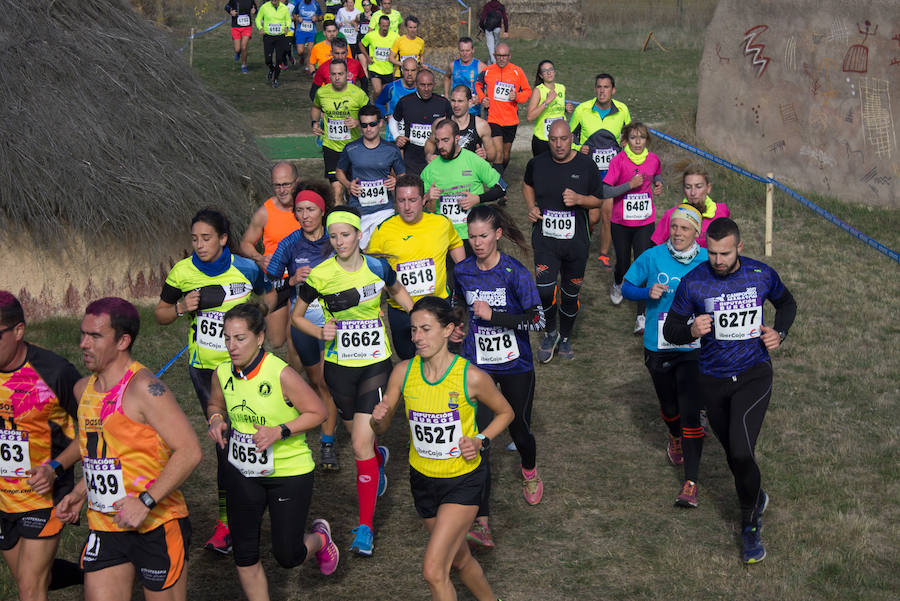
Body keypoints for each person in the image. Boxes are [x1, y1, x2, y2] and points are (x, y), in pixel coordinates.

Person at [663, 218, 797, 564]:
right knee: (735, 455)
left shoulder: (761, 275)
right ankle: (756, 496)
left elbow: (787, 304)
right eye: (712, 253)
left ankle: (749, 525)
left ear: (739, 247)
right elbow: (673, 329)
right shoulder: (694, 282)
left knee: (740, 449)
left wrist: (778, 333)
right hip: (712, 378)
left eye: (724, 253)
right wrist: (692, 329)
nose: (718, 260)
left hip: (753, 373)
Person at [56, 298, 202, 601]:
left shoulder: (144, 389)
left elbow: (190, 451)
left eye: (95, 336)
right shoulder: (84, 390)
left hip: (158, 523)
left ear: (123, 341)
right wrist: (80, 493)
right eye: (83, 334)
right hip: (105, 524)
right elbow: (106, 454)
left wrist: (144, 502)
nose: (84, 343)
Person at [371, 296, 513, 601]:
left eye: (425, 329)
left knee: (434, 571)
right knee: (460, 559)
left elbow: (506, 412)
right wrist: (377, 420)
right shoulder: (403, 373)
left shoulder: (470, 377)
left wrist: (480, 440)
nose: (417, 338)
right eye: (413, 331)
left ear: (448, 330)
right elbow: (380, 430)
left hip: (462, 482)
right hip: (422, 481)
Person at [291, 206, 414, 556]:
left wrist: (420, 316)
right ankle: (378, 457)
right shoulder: (320, 275)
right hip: (338, 369)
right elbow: (297, 317)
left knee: (360, 446)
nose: (340, 241)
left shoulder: (377, 267)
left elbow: (399, 293)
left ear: (359, 235)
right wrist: (319, 330)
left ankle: (365, 528)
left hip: (376, 363)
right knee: (360, 439)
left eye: (346, 234)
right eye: (334, 236)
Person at [155, 209, 274, 555]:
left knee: (251, 436)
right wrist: (180, 308)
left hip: (247, 368)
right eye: (194, 238)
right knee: (224, 444)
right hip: (207, 372)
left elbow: (266, 298)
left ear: (223, 239)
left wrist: (256, 321)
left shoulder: (247, 268)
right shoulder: (183, 272)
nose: (199, 244)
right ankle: (226, 524)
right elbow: (160, 314)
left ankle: (261, 503)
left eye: (206, 238)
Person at [206, 304, 339, 599]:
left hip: (288, 473)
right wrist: (215, 419)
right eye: (226, 338)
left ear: (260, 337)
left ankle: (320, 539)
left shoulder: (281, 374)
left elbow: (317, 412)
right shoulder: (222, 372)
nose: (231, 346)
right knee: (244, 553)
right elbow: (215, 404)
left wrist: (279, 431)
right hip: (242, 472)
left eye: (240, 338)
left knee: (288, 555)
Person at [452, 205, 545, 549]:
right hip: (479, 367)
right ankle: (483, 521)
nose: (477, 242)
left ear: (497, 236)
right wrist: (456, 328)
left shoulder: (514, 272)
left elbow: (537, 321)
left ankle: (530, 470)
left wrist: (496, 316)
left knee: (519, 428)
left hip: (516, 364)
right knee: (479, 441)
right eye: (472, 236)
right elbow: (456, 305)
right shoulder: (461, 271)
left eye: (483, 236)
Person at [621, 205, 708, 507]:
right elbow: (626, 287)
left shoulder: (708, 260)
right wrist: (647, 293)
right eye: (674, 227)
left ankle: (690, 481)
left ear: (697, 232)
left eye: (685, 228)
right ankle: (674, 435)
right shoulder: (652, 256)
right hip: (658, 344)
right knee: (669, 405)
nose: (678, 233)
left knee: (689, 408)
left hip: (693, 345)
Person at [0, 291, 83, 601]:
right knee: (35, 578)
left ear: (18, 331)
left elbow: (93, 432)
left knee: (28, 588)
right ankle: (92, 572)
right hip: (3, 497)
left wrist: (54, 467)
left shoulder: (54, 372)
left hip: (43, 494)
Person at [266, 182, 343, 472]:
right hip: (304, 323)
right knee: (318, 382)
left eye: (310, 209)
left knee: (331, 382)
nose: (304, 215)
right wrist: (291, 280)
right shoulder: (289, 243)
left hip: (337, 323)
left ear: (322, 211)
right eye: (299, 210)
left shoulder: (336, 238)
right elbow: (269, 281)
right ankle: (327, 442)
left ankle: (328, 438)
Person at [524, 120, 603, 362]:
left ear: (571, 138)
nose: (559, 145)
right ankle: (550, 333)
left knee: (570, 294)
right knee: (545, 291)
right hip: (545, 241)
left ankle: (566, 338)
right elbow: (527, 185)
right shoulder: (537, 163)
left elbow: (598, 200)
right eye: (554, 140)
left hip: (576, 242)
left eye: (564, 139)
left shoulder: (587, 165)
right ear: (549, 140)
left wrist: (579, 198)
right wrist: (531, 207)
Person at [366, 174, 465, 360]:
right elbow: (372, 266)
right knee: (409, 361)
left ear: (423, 199)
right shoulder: (383, 230)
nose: (407, 206)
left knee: (442, 360)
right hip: (401, 311)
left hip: (438, 306)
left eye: (412, 200)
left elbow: (455, 243)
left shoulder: (441, 223)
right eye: (401, 200)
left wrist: (464, 271)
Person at [602, 122, 664, 336]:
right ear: (626, 140)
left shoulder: (653, 159)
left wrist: (658, 183)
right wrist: (629, 185)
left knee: (644, 264)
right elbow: (605, 190)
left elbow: (656, 173)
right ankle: (618, 282)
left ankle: (641, 316)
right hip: (621, 222)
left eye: (642, 138)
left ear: (647, 140)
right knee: (624, 263)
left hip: (645, 222)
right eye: (633, 137)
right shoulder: (618, 161)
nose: (638, 142)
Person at [569, 73, 631, 270]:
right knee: (593, 216)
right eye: (599, 87)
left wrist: (625, 151)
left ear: (613, 90)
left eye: (606, 87)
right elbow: (569, 138)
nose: (602, 91)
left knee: (608, 214)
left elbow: (628, 138)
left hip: (612, 173)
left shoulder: (622, 110)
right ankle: (583, 237)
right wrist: (580, 149)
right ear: (595, 89)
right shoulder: (582, 110)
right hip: (590, 172)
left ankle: (603, 254)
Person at [239, 162, 301, 356]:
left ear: (297, 182)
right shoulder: (265, 212)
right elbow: (246, 243)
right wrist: (259, 258)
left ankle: (298, 380)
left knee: (296, 335)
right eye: (277, 185)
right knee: (276, 340)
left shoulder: (306, 207)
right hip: (276, 281)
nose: (282, 190)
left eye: (286, 184)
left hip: (302, 278)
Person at [421, 118, 505, 248]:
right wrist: (427, 197)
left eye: (445, 140)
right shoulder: (430, 169)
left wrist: (478, 198)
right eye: (437, 141)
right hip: (444, 237)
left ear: (457, 138)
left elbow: (502, 188)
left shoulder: (473, 161)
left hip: (473, 236)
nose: (440, 146)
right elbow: (416, 206)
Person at [335, 104, 407, 246]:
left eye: (372, 124)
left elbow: (402, 175)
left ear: (380, 123)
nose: (368, 129)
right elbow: (339, 172)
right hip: (358, 210)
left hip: (384, 209)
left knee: (382, 248)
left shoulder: (391, 150)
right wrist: (348, 185)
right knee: (360, 252)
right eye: (364, 125)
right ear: (360, 126)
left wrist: (395, 181)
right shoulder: (351, 148)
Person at [311, 59, 371, 205]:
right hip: (331, 147)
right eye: (333, 74)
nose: (337, 77)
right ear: (329, 76)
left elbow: (370, 115)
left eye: (340, 74)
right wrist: (314, 123)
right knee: (336, 190)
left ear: (347, 75)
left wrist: (357, 122)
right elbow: (316, 107)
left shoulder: (358, 94)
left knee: (353, 190)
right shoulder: (322, 93)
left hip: (353, 148)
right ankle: (338, 220)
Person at [475, 43, 530, 175]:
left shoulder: (517, 71)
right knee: (498, 154)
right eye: (498, 55)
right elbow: (478, 84)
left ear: (509, 56)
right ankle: (497, 185)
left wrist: (517, 96)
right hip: (493, 118)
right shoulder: (487, 71)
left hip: (511, 120)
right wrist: (483, 98)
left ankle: (497, 177)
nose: (501, 58)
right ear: (494, 56)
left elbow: (528, 91)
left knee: (505, 156)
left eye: (504, 56)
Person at [652, 164, 731, 248]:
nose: (693, 193)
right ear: (684, 189)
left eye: (698, 186)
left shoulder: (722, 211)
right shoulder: (671, 215)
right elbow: (654, 249)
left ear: (708, 188)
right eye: (688, 187)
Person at [393, 70, 452, 176]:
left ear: (434, 84)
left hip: (436, 159)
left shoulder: (443, 103)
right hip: (412, 160)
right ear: (416, 84)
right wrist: (397, 136)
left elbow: (453, 127)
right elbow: (394, 119)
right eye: (422, 85)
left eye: (429, 85)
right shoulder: (405, 102)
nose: (426, 89)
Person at [424, 85, 496, 164]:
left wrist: (485, 155)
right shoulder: (440, 123)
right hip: (445, 171)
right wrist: (429, 155)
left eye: (460, 101)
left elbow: (492, 155)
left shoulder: (481, 125)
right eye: (453, 101)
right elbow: (430, 142)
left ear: (470, 102)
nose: (456, 105)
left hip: (468, 173)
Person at [525, 59, 574, 157]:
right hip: (543, 139)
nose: (548, 73)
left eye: (551, 69)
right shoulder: (538, 91)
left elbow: (557, 109)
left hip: (560, 138)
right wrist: (546, 102)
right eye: (544, 71)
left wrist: (566, 109)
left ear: (554, 71)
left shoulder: (561, 88)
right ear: (541, 75)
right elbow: (530, 117)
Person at [374, 57, 418, 142]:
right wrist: (386, 116)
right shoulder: (391, 87)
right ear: (402, 70)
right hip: (393, 138)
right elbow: (379, 103)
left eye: (413, 70)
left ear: (417, 71)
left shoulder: (422, 88)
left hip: (414, 139)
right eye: (406, 70)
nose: (409, 73)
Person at [359, 15, 400, 98]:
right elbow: (361, 44)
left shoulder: (395, 36)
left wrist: (395, 64)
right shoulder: (371, 35)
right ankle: (374, 105)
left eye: (387, 26)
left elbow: (400, 49)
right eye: (383, 26)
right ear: (379, 25)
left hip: (388, 69)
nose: (385, 28)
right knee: (378, 90)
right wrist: (367, 57)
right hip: (375, 68)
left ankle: (381, 106)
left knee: (386, 92)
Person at [444, 37, 486, 116]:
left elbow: (490, 85)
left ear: (473, 50)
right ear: (458, 50)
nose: (465, 54)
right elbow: (447, 77)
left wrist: (481, 97)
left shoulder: (480, 66)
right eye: (462, 51)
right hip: (456, 109)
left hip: (473, 110)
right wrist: (446, 94)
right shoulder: (453, 65)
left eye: (467, 51)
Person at [255, 0, 293, 88]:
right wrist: (260, 28)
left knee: (279, 59)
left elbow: (288, 19)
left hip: (280, 37)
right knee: (267, 60)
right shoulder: (264, 7)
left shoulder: (284, 8)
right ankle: (272, 69)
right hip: (268, 37)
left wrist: (287, 26)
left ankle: (275, 79)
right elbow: (258, 19)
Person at [226, 0, 258, 74]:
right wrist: (231, 12)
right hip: (236, 27)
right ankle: (237, 52)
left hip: (247, 26)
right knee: (237, 49)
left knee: (244, 47)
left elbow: (255, 8)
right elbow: (227, 6)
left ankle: (244, 65)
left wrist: (255, 10)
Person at [292, 0, 323, 69]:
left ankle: (307, 67)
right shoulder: (299, 3)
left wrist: (317, 18)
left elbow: (321, 16)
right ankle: (302, 58)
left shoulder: (315, 4)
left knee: (310, 49)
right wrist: (297, 18)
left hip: (312, 31)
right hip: (301, 31)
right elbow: (293, 14)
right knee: (300, 51)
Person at [478, 0, 508, 65]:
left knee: (490, 48)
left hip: (488, 29)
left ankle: (494, 63)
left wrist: (483, 28)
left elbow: (482, 19)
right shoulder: (501, 6)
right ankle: (490, 63)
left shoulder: (487, 6)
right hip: (497, 28)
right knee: (495, 47)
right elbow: (505, 18)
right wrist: (506, 31)